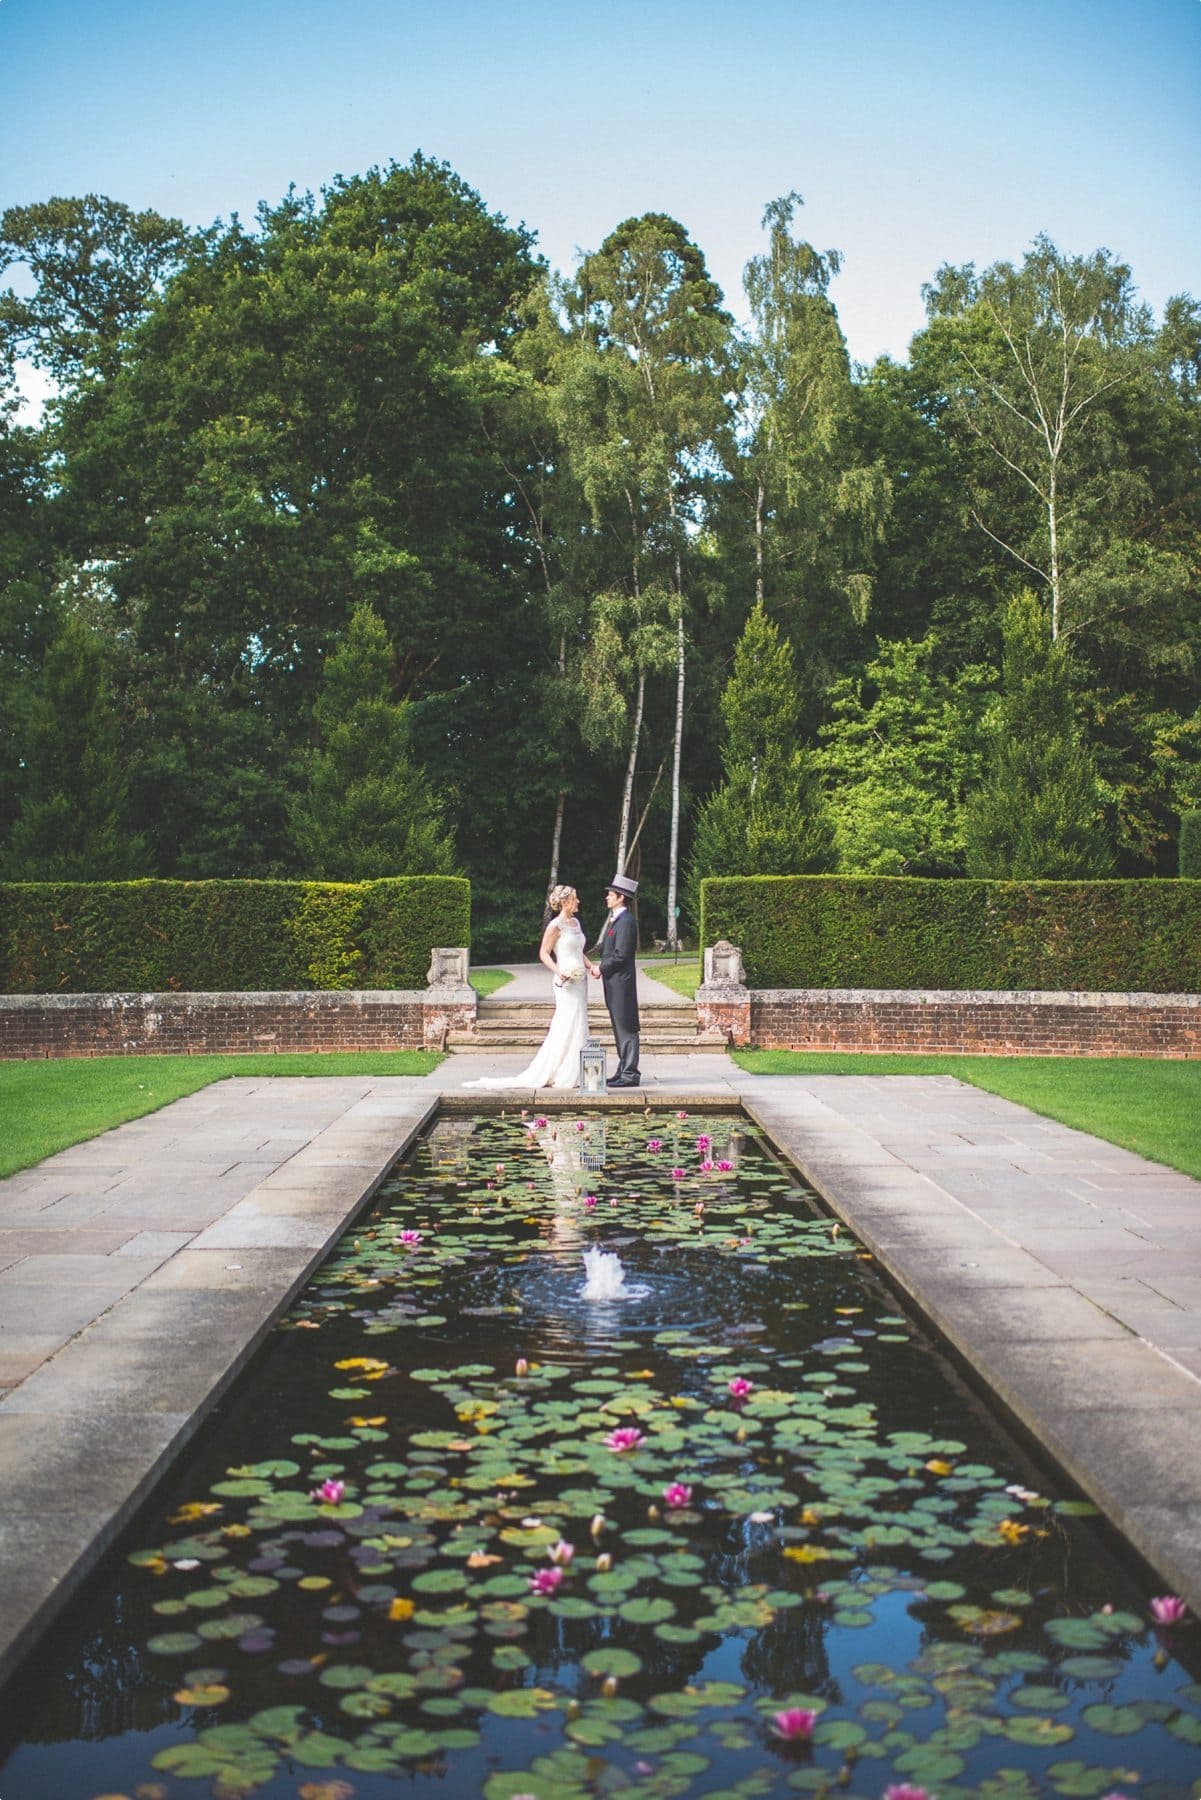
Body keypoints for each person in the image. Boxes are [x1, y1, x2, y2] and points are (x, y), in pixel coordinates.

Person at [464, 884, 590, 1089]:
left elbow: (578, 951)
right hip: (564, 982)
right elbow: (543, 953)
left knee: (579, 1022)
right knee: (566, 1022)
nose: (578, 901)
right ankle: (558, 1070)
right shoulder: (555, 926)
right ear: (566, 902)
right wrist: (559, 971)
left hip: (580, 981)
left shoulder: (576, 923)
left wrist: (591, 966)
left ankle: (574, 1070)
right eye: (575, 898)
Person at [587, 874, 640, 1087]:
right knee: (619, 1026)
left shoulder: (626, 922)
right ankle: (623, 1069)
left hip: (622, 984)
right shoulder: (618, 920)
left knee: (626, 1026)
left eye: (610, 894)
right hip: (615, 983)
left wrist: (601, 967)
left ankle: (630, 1074)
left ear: (620, 898)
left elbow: (621, 955)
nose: (607, 898)